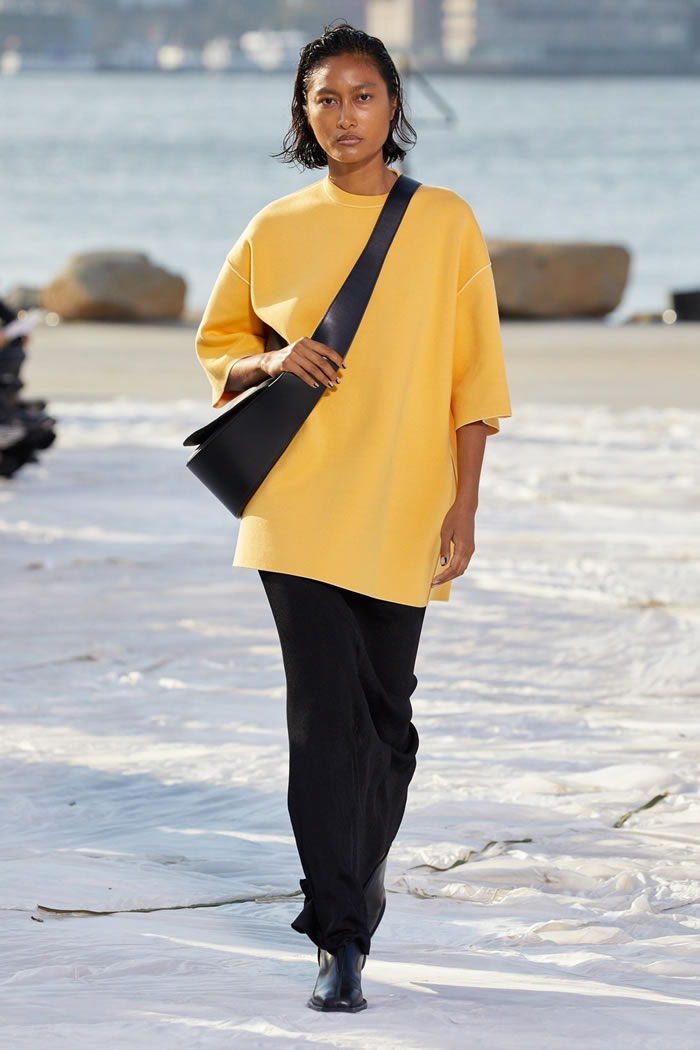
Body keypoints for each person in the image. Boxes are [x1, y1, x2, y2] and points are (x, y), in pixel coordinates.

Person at [195, 22, 511, 1012]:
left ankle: (355, 881)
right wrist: (274, 358)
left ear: (392, 107)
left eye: (362, 96)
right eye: (325, 98)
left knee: (388, 725)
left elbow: (474, 380)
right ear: (303, 111)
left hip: (406, 503)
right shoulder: (275, 224)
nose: (344, 115)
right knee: (324, 720)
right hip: (296, 506)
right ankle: (337, 934)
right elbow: (219, 351)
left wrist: (465, 504)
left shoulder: (445, 222)